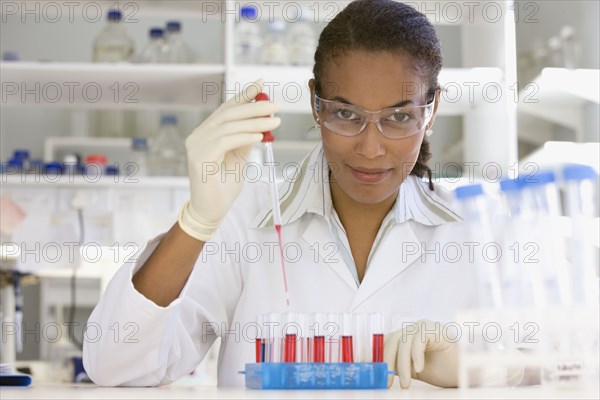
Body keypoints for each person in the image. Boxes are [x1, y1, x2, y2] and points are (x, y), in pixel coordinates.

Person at [84, 0, 522, 388]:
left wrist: (479, 368)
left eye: (399, 117)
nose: (371, 148)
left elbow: (564, 368)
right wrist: (197, 221)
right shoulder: (246, 217)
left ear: (432, 111)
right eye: (346, 113)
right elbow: (117, 366)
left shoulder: (480, 229)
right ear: (316, 103)